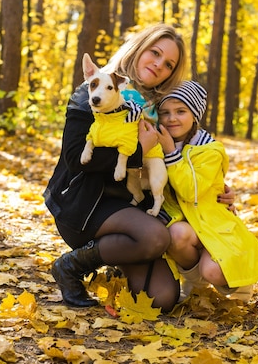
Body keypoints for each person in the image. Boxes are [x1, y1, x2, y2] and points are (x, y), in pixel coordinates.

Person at [43, 23, 189, 312]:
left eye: (169, 64)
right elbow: (74, 157)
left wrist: (218, 189)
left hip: (129, 209)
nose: (159, 65)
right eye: (155, 53)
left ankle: (115, 260)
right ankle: (70, 266)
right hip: (85, 204)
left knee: (161, 299)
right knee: (155, 236)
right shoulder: (95, 88)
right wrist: (138, 153)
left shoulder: (158, 108)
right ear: (139, 48)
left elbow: (185, 157)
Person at [155, 80, 258, 302]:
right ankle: (195, 285)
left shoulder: (209, 150)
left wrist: (170, 153)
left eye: (180, 111)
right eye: (165, 112)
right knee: (176, 234)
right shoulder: (157, 144)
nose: (171, 118)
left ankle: (241, 282)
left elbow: (190, 190)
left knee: (213, 270)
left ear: (195, 115)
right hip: (189, 227)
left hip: (212, 225)